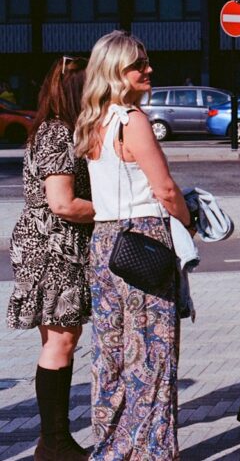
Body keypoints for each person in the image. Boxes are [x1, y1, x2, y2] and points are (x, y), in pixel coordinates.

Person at [74, 31, 195, 458]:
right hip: (142, 239)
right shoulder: (132, 119)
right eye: (138, 65)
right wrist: (188, 220)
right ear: (116, 73)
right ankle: (150, 451)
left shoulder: (92, 122)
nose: (149, 70)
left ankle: (111, 447)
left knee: (110, 351)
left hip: (105, 242)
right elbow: (163, 188)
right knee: (152, 354)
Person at [7, 56, 92, 460]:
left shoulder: (51, 129)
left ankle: (55, 439)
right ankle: (54, 441)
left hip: (48, 243)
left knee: (60, 339)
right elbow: (62, 203)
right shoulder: (59, 132)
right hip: (54, 245)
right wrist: (113, 208)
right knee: (60, 340)